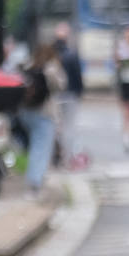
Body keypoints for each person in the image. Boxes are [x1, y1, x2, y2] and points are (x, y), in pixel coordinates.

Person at [19, 44, 67, 197]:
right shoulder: (51, 68)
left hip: (26, 111)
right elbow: (61, 85)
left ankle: (34, 178)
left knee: (34, 146)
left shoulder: (29, 65)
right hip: (44, 113)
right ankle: (35, 183)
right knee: (41, 148)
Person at [52, 22, 86, 170]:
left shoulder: (51, 54)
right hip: (70, 95)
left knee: (55, 127)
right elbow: (78, 77)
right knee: (69, 127)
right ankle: (67, 158)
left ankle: (56, 156)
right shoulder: (72, 54)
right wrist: (79, 93)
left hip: (55, 96)